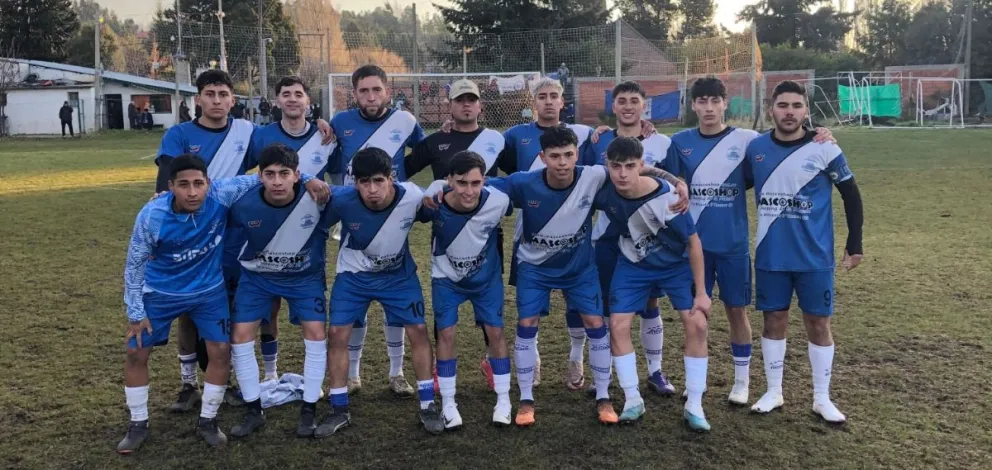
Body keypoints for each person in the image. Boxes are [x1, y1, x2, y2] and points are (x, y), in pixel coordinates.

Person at [116, 154, 329, 454]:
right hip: (161, 292)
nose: (192, 192)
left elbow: (268, 176)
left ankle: (209, 420)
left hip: (208, 291)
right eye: (184, 185)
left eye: (198, 184)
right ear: (170, 186)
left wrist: (309, 179)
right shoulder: (152, 215)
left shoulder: (223, 193)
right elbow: (134, 264)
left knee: (220, 350)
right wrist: (136, 312)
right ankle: (137, 423)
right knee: (136, 350)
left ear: (209, 183)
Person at [154, 69, 333, 414]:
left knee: (250, 300)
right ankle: (188, 383)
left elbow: (279, 161)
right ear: (198, 99)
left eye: (223, 94)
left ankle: (261, 376)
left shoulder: (248, 131)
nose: (217, 101)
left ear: (233, 100)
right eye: (210, 94)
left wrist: (320, 124)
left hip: (237, 229)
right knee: (191, 305)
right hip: (194, 227)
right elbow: (165, 181)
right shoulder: (179, 134)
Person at [665, 76, 835, 405]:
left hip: (734, 246)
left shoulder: (747, 140)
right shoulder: (680, 142)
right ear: (694, 105)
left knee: (736, 312)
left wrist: (818, 134)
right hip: (695, 247)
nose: (709, 108)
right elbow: (672, 180)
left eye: (716, 101)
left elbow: (785, 144)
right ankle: (694, 379)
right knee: (694, 315)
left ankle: (741, 382)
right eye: (703, 101)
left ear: (725, 103)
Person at [496, 77, 656, 391]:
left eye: (554, 95)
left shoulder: (585, 134)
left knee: (579, 305)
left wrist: (642, 132)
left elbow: (620, 154)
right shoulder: (515, 135)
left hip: (575, 236)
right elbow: (489, 164)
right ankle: (535, 363)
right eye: (542, 96)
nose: (548, 101)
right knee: (531, 311)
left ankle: (576, 358)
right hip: (530, 236)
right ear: (534, 102)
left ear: (562, 101)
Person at [746, 80, 863, 423]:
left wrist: (854, 244)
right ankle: (773, 391)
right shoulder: (756, 148)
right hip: (771, 253)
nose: (789, 112)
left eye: (797, 106)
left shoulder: (824, 147)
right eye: (783, 105)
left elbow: (852, 196)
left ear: (806, 111)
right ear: (772, 108)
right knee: (774, 320)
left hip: (815, 256)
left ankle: (822, 398)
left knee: (818, 322)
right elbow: (735, 181)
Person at [316, 147, 444, 438]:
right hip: (353, 277)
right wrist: (311, 182)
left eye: (378, 181)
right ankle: (338, 408)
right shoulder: (342, 199)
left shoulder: (411, 196)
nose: (371, 189)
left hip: (398, 277)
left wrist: (437, 190)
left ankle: (427, 404)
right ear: (355, 182)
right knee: (336, 333)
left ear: (391, 178)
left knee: (419, 331)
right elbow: (315, 214)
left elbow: (437, 200)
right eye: (363, 182)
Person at [595, 136, 712, 430]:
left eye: (630, 166)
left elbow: (694, 243)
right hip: (633, 265)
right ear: (607, 165)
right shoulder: (603, 187)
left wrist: (702, 293)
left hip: (675, 267)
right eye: (616, 166)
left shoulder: (668, 198)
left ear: (641, 166)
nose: (622, 173)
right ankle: (633, 399)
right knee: (617, 325)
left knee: (697, 323)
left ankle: (695, 405)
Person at [329, 64, 426, 397]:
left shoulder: (406, 121)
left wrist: (397, 180)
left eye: (376, 89)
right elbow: (330, 161)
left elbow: (422, 153)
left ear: (388, 91)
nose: (371, 96)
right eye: (363, 90)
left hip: (390, 207)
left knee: (394, 298)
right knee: (353, 299)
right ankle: (353, 375)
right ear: (353, 93)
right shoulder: (340, 122)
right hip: (354, 210)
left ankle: (396, 373)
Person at [581, 81, 682, 396]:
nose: (627, 106)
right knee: (611, 307)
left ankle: (655, 371)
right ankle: (609, 373)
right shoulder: (597, 141)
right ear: (613, 106)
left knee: (650, 303)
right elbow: (585, 182)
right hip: (607, 236)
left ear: (644, 105)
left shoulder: (662, 142)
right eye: (621, 101)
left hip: (649, 239)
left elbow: (676, 186)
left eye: (634, 101)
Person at [226, 144, 334, 439]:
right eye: (270, 174)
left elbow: (363, 194)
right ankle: (253, 410)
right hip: (257, 278)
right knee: (240, 336)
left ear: (297, 175)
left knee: (315, 333)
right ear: (259, 176)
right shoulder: (243, 205)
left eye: (284, 174)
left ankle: (309, 409)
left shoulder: (319, 197)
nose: (277, 181)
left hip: (304, 279)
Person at [242, 76, 337, 382]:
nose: (293, 99)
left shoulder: (327, 136)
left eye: (299, 94)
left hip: (309, 232)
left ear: (308, 102)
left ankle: (313, 378)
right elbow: (246, 174)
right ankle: (270, 373)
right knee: (269, 306)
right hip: (268, 227)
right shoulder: (261, 135)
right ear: (278, 101)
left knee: (309, 310)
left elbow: (343, 173)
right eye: (286, 94)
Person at [417, 151, 514, 427]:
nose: (469, 190)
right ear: (449, 181)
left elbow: (523, 184)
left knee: (496, 332)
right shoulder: (433, 204)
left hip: (486, 281)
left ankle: (504, 400)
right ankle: (448, 404)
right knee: (445, 333)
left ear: (484, 181)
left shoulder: (499, 200)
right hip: (446, 279)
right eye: (461, 183)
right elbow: (406, 196)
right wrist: (432, 188)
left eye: (475, 183)